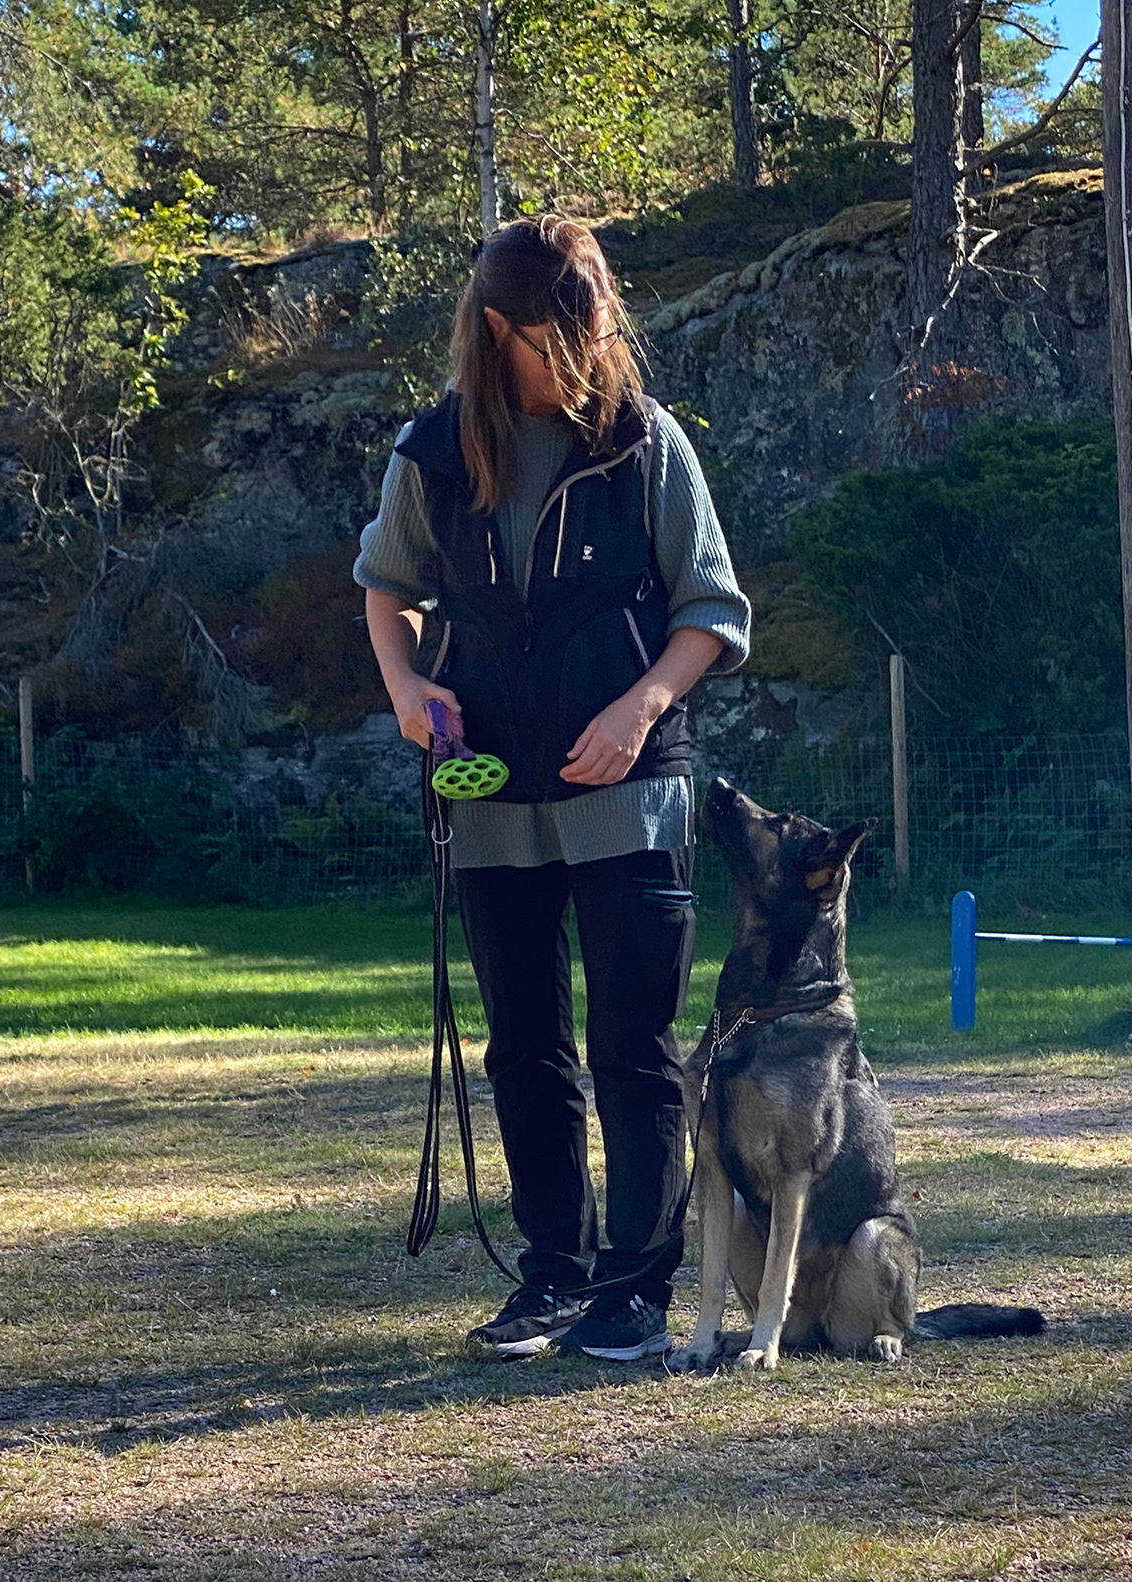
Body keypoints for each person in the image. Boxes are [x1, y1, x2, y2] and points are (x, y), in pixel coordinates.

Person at [355, 215, 751, 1361]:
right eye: (549, 335)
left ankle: (633, 1287)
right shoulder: (430, 453)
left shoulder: (646, 443)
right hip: (488, 804)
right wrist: (405, 691)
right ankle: (550, 1275)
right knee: (525, 1049)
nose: (578, 356)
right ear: (493, 331)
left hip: (632, 794)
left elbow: (711, 611)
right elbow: (386, 588)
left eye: (588, 328)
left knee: (634, 1046)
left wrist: (640, 708)